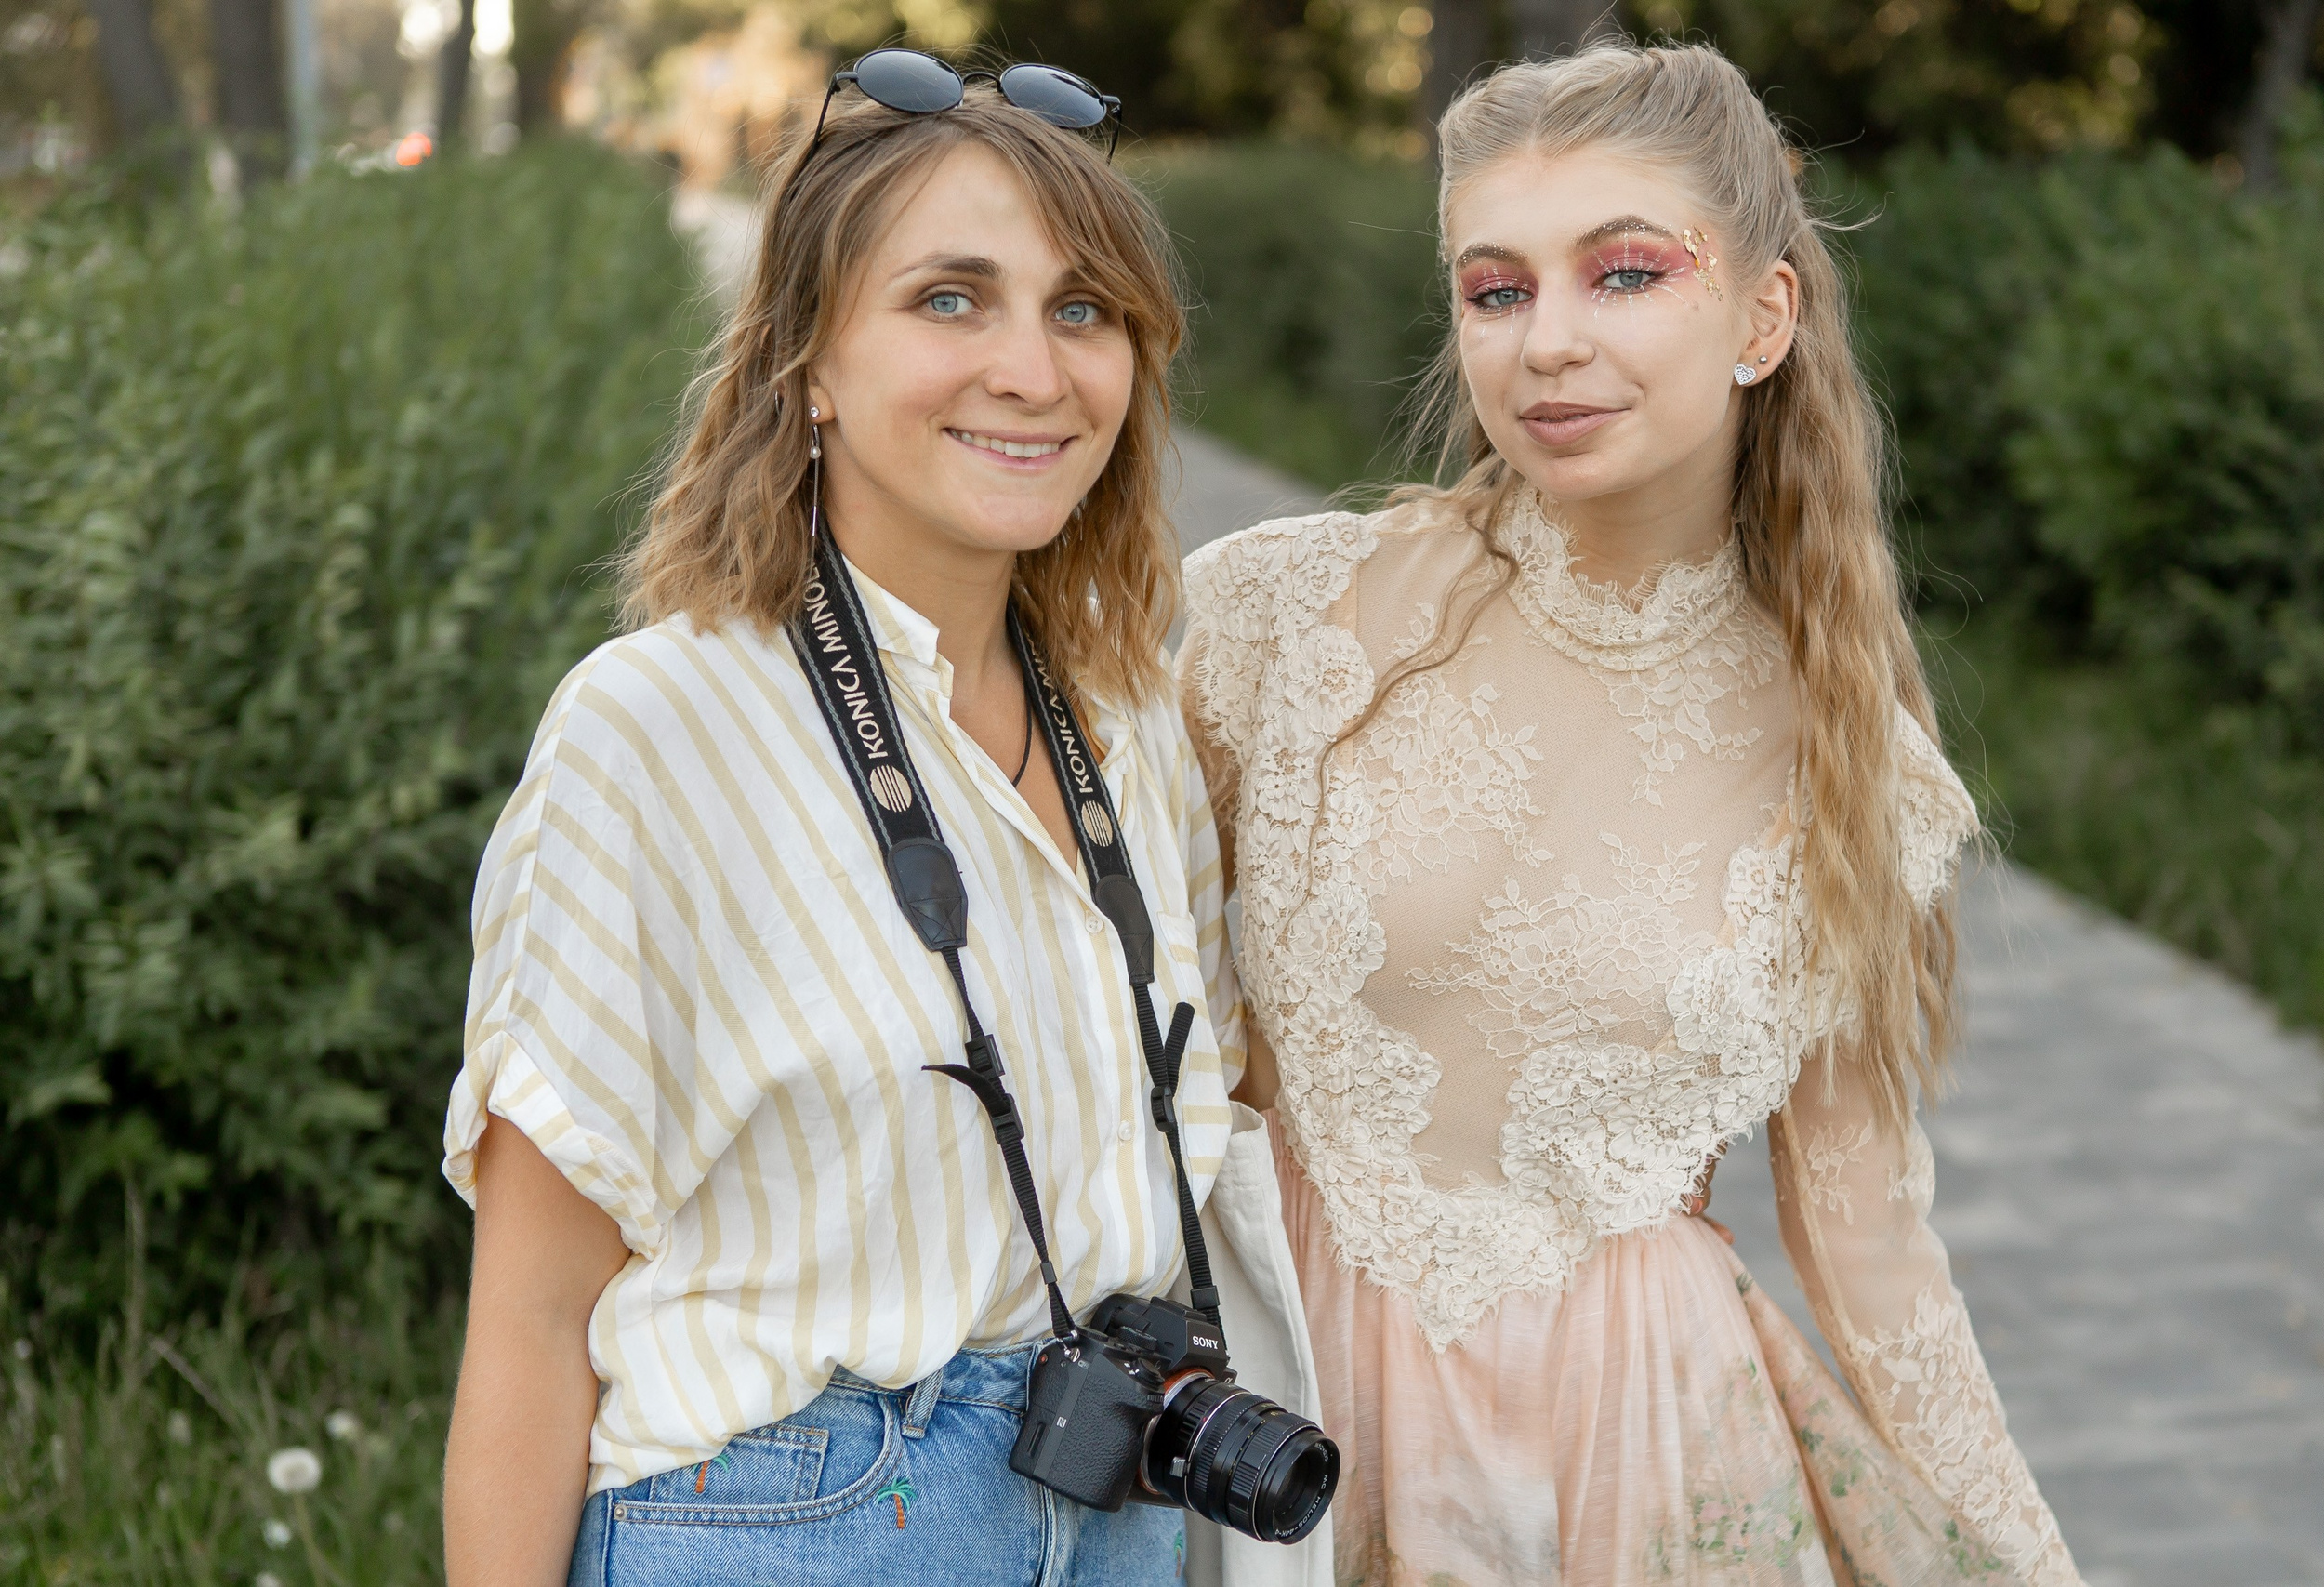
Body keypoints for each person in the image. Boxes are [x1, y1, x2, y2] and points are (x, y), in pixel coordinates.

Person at [1178, 40, 2086, 1587]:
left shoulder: (1852, 752)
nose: (1549, 342)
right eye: (1497, 288)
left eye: (1625, 274)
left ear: (1760, 317)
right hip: (1286, 1411)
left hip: (1645, 1451)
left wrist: (2024, 1558)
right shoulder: (1279, 616)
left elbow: (1866, 1232)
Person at [440, 56, 1327, 1587]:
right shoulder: (657, 727)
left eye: (1081, 309)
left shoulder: (1127, 721)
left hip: (1111, 1511)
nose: (1035, 371)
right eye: (948, 299)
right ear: (809, 365)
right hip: (794, 1521)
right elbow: (527, 1319)